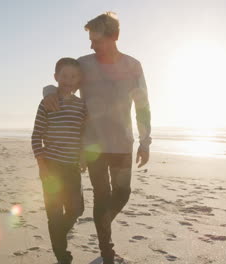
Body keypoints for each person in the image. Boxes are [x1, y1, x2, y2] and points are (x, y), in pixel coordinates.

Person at [42, 12, 151, 264]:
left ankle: (101, 224)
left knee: (122, 193)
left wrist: (146, 141)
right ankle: (107, 254)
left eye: (97, 40)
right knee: (102, 196)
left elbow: (143, 106)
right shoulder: (85, 64)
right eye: (90, 40)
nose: (91, 45)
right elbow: (63, 83)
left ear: (113, 37)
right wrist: (48, 91)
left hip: (123, 144)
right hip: (93, 147)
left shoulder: (133, 66)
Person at [31, 57, 86, 264]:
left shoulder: (81, 106)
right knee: (54, 213)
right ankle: (62, 257)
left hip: (71, 166)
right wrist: (42, 166)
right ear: (56, 77)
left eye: (73, 76)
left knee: (76, 209)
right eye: (64, 76)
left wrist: (83, 156)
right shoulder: (47, 103)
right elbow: (36, 135)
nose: (69, 80)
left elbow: (83, 134)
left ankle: (58, 236)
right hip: (51, 166)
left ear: (79, 79)